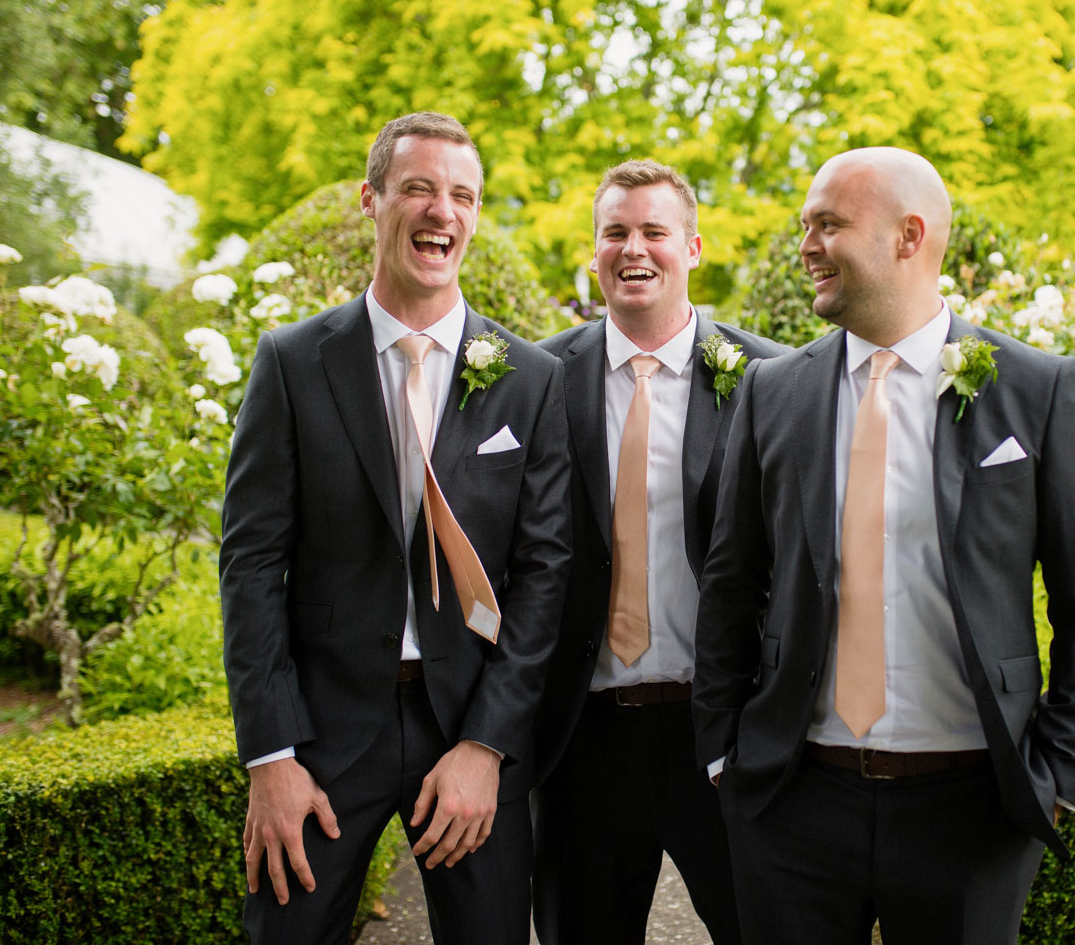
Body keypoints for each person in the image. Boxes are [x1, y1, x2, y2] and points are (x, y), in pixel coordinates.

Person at [693, 147, 1075, 945]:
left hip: (971, 809)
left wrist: (1060, 774)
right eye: (805, 226)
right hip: (794, 799)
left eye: (828, 225)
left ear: (908, 236)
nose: (807, 246)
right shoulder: (771, 391)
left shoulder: (1034, 389)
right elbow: (730, 581)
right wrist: (725, 753)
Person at [221, 111, 572, 945]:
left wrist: (488, 745)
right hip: (323, 735)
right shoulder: (292, 361)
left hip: (469, 727)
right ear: (371, 199)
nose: (440, 211)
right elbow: (250, 565)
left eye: (462, 195)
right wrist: (271, 760)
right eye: (417, 187)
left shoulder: (531, 380)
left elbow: (545, 574)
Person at [531, 160, 786, 944]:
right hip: (584, 738)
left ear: (694, 247)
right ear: (594, 248)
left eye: (653, 232)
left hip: (721, 728)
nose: (632, 248)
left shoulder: (771, 379)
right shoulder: (538, 377)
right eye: (615, 232)